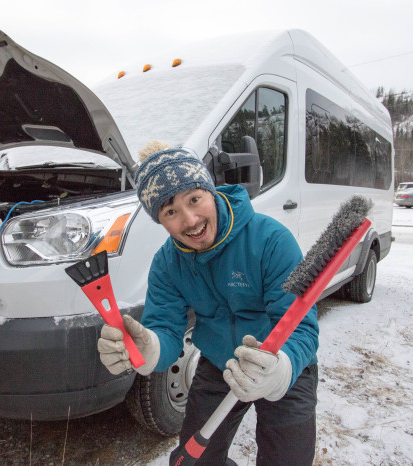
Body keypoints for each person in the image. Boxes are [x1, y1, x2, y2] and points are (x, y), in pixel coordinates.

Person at [97, 143, 319, 465]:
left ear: (210, 191)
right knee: (196, 461)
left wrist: (280, 370)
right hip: (219, 364)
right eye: (170, 211)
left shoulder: (270, 240)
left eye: (194, 199)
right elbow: (167, 332)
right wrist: (147, 350)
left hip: (282, 361)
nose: (189, 220)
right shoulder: (167, 265)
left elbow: (302, 328)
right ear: (160, 220)